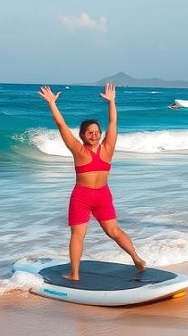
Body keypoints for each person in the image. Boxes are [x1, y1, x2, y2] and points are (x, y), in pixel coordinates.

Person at [38, 83, 146, 281]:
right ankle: (78, 272)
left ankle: (135, 259)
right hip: (89, 195)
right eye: (90, 132)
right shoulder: (80, 150)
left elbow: (113, 123)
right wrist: (52, 104)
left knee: (106, 232)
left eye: (97, 132)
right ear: (82, 135)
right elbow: (61, 125)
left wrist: (112, 102)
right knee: (88, 234)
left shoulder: (104, 148)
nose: (94, 135)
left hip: (94, 195)